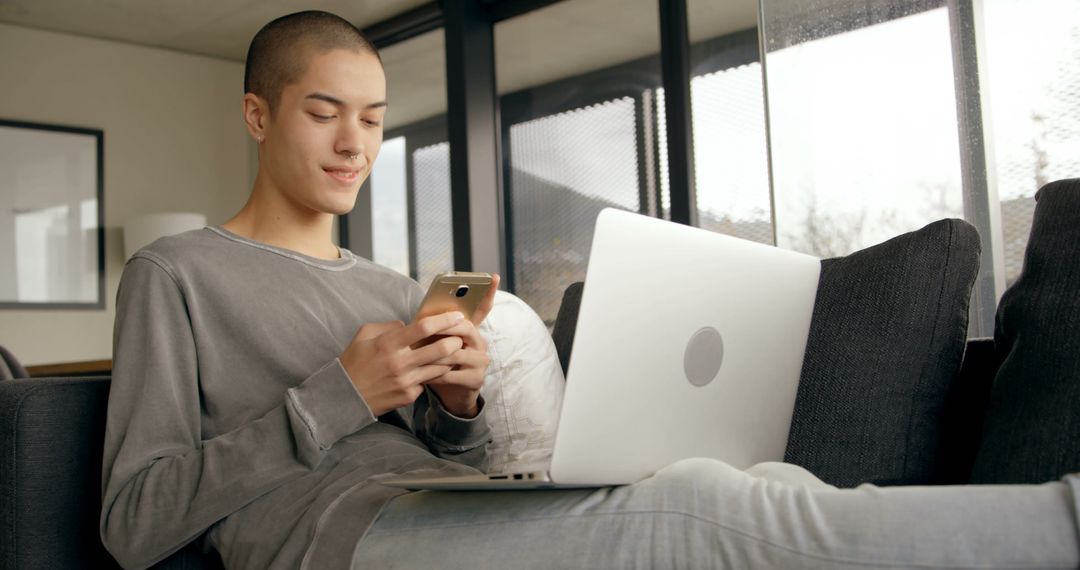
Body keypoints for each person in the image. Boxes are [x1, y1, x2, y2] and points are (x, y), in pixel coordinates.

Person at [101, 10, 1080, 570]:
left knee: (761, 485)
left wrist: (457, 406)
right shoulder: (176, 274)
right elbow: (133, 522)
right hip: (344, 539)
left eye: (373, 117)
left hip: (451, 504)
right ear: (257, 114)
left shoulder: (390, 284)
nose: (355, 142)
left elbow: (456, 453)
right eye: (324, 112)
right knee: (705, 513)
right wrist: (337, 394)